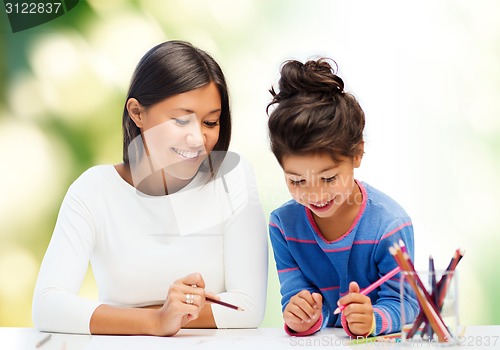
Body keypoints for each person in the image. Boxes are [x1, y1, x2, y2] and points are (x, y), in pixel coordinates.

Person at [32, 40, 268, 336]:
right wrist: (157, 320)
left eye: (210, 121)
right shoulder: (94, 191)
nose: (198, 138)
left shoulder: (231, 179)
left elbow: (247, 308)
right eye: (181, 120)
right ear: (137, 113)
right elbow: (47, 306)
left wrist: (127, 316)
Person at [266, 58, 419, 337]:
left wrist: (373, 318)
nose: (314, 194)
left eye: (328, 178)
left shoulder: (389, 225)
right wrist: (303, 315)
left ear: (357, 154)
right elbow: (296, 297)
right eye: (296, 180)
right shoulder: (283, 226)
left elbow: (407, 303)